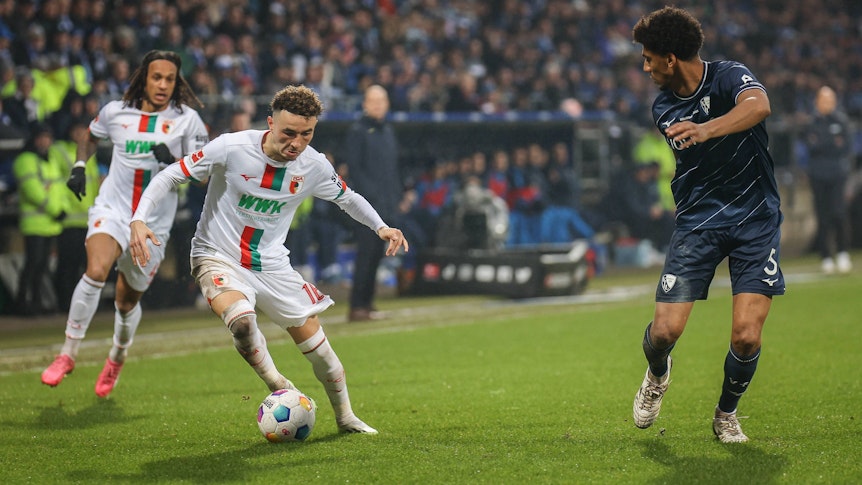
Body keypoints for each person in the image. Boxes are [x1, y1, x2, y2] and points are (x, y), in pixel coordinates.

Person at [127, 85, 408, 434]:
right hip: (218, 255)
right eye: (289, 133)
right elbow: (172, 174)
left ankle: (346, 417)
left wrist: (381, 227)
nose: (297, 142)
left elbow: (348, 198)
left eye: (306, 134)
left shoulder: (314, 165)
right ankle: (278, 384)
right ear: (270, 122)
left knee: (324, 356)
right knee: (242, 322)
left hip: (273, 266)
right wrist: (138, 218)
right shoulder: (231, 147)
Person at [630, 7, 785, 443]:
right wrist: (704, 131)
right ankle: (658, 373)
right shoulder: (665, 106)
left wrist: (707, 129)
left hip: (756, 217)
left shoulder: (730, 74)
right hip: (700, 221)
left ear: (671, 58)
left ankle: (726, 414)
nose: (645, 67)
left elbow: (760, 105)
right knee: (664, 332)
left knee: (747, 336)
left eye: (648, 58)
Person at [40, 50, 209, 398]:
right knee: (96, 270)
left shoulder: (188, 120)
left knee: (126, 301)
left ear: (177, 83)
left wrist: (177, 162)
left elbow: (204, 175)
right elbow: (88, 136)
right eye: (157, 77)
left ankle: (117, 356)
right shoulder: (116, 112)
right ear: (143, 79)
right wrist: (78, 167)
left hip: (152, 225)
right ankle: (67, 354)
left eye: (170, 79)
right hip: (113, 210)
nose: (163, 85)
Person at [344, 84, 403, 322]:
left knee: (377, 256)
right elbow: (355, 170)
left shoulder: (388, 132)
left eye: (382, 100)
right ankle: (357, 305)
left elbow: (393, 170)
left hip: (388, 206)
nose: (378, 105)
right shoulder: (357, 131)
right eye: (373, 101)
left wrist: (396, 199)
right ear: (365, 104)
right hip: (367, 209)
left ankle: (367, 303)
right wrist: (372, 199)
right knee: (365, 255)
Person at [12, 123, 65, 315]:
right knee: (33, 264)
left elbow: (59, 188)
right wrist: (54, 209)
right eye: (42, 137)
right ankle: (22, 303)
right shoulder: (26, 160)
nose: (45, 141)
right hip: (35, 223)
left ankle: (35, 302)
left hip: (50, 224)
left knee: (41, 266)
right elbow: (32, 190)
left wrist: (62, 208)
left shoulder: (48, 160)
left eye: (47, 137)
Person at [50, 116, 101, 312]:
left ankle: (78, 305)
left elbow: (94, 183)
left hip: (87, 220)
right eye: (78, 130)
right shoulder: (60, 151)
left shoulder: (90, 153)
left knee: (83, 266)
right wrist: (61, 208)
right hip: (68, 219)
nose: (81, 134)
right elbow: (56, 182)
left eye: (84, 130)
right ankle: (63, 304)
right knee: (67, 266)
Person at [804, 86, 854, 274]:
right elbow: (811, 147)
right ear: (817, 102)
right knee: (822, 216)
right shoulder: (812, 122)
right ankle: (826, 257)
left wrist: (822, 143)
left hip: (837, 174)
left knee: (839, 214)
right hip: (817, 175)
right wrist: (831, 143)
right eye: (823, 99)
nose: (827, 103)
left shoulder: (841, 121)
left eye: (830, 99)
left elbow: (845, 148)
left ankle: (842, 253)